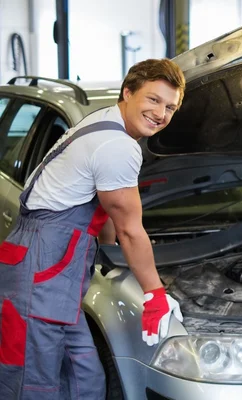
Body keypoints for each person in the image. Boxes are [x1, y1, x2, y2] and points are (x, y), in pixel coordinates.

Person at [0, 58, 186, 400]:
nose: (162, 114)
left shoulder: (105, 121)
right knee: (33, 382)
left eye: (171, 107)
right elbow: (129, 229)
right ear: (127, 92)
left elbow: (104, 210)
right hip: (42, 269)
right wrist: (154, 294)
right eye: (154, 100)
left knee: (85, 375)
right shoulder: (117, 145)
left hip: (54, 272)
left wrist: (111, 251)